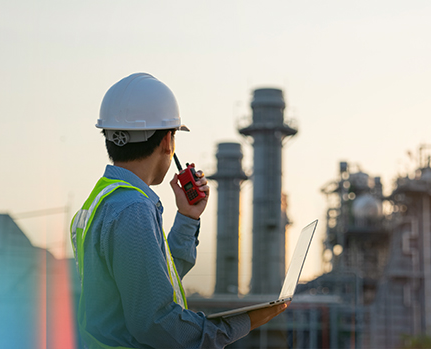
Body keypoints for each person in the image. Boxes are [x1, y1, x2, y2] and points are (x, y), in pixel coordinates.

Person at [70, 72, 286, 348]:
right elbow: (157, 323)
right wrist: (245, 322)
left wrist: (187, 218)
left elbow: (151, 281)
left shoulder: (104, 201)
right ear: (167, 142)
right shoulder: (133, 209)